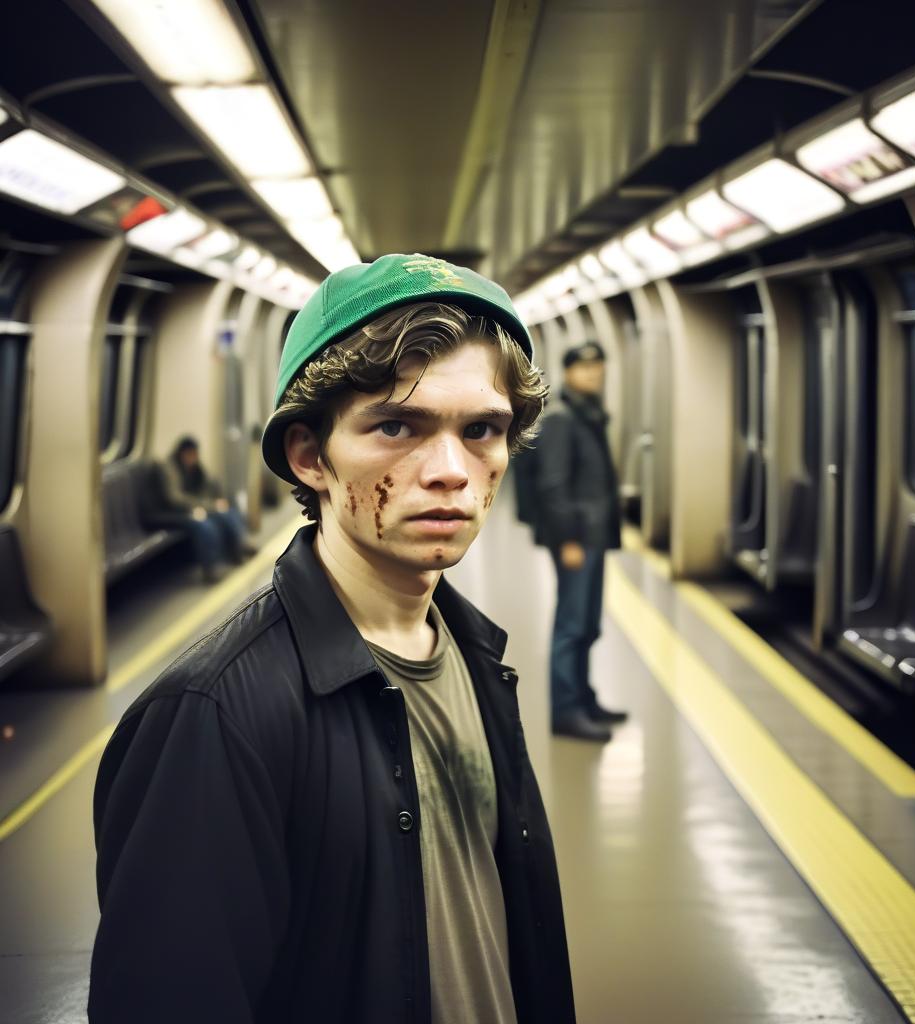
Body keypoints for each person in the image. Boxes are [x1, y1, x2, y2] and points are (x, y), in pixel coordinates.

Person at [89, 254, 576, 1024]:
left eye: (482, 429)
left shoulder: (477, 657)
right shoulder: (213, 718)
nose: (452, 470)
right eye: (396, 426)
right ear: (310, 456)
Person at [533, 341, 626, 743]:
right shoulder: (563, 418)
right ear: (569, 373)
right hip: (577, 538)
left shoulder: (587, 414)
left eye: (598, 367)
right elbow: (552, 485)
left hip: (593, 535)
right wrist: (567, 538)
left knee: (587, 622)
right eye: (584, 369)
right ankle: (566, 711)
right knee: (572, 624)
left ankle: (584, 699)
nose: (593, 374)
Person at [144, 435, 249, 582]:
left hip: (188, 508)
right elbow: (174, 499)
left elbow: (207, 484)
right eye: (191, 455)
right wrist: (209, 506)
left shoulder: (193, 467)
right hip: (166, 513)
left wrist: (214, 503)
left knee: (227, 513)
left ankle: (237, 550)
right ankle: (210, 569)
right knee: (205, 526)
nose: (194, 458)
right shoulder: (168, 468)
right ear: (182, 454)